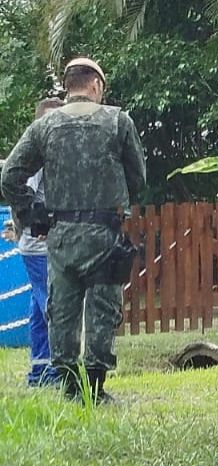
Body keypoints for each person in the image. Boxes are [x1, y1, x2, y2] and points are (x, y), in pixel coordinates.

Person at [1, 58, 146, 403]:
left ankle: (69, 387)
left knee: (61, 309)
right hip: (104, 233)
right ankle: (95, 389)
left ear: (68, 86)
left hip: (60, 234)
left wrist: (31, 214)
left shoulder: (44, 126)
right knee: (102, 309)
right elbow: (138, 180)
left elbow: (10, 177)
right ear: (96, 85)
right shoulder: (118, 122)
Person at [1, 98, 64, 387]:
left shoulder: (45, 152)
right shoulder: (37, 155)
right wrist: (28, 224)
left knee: (38, 309)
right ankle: (55, 370)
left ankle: (39, 370)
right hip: (39, 246)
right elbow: (22, 193)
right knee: (52, 305)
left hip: (36, 243)